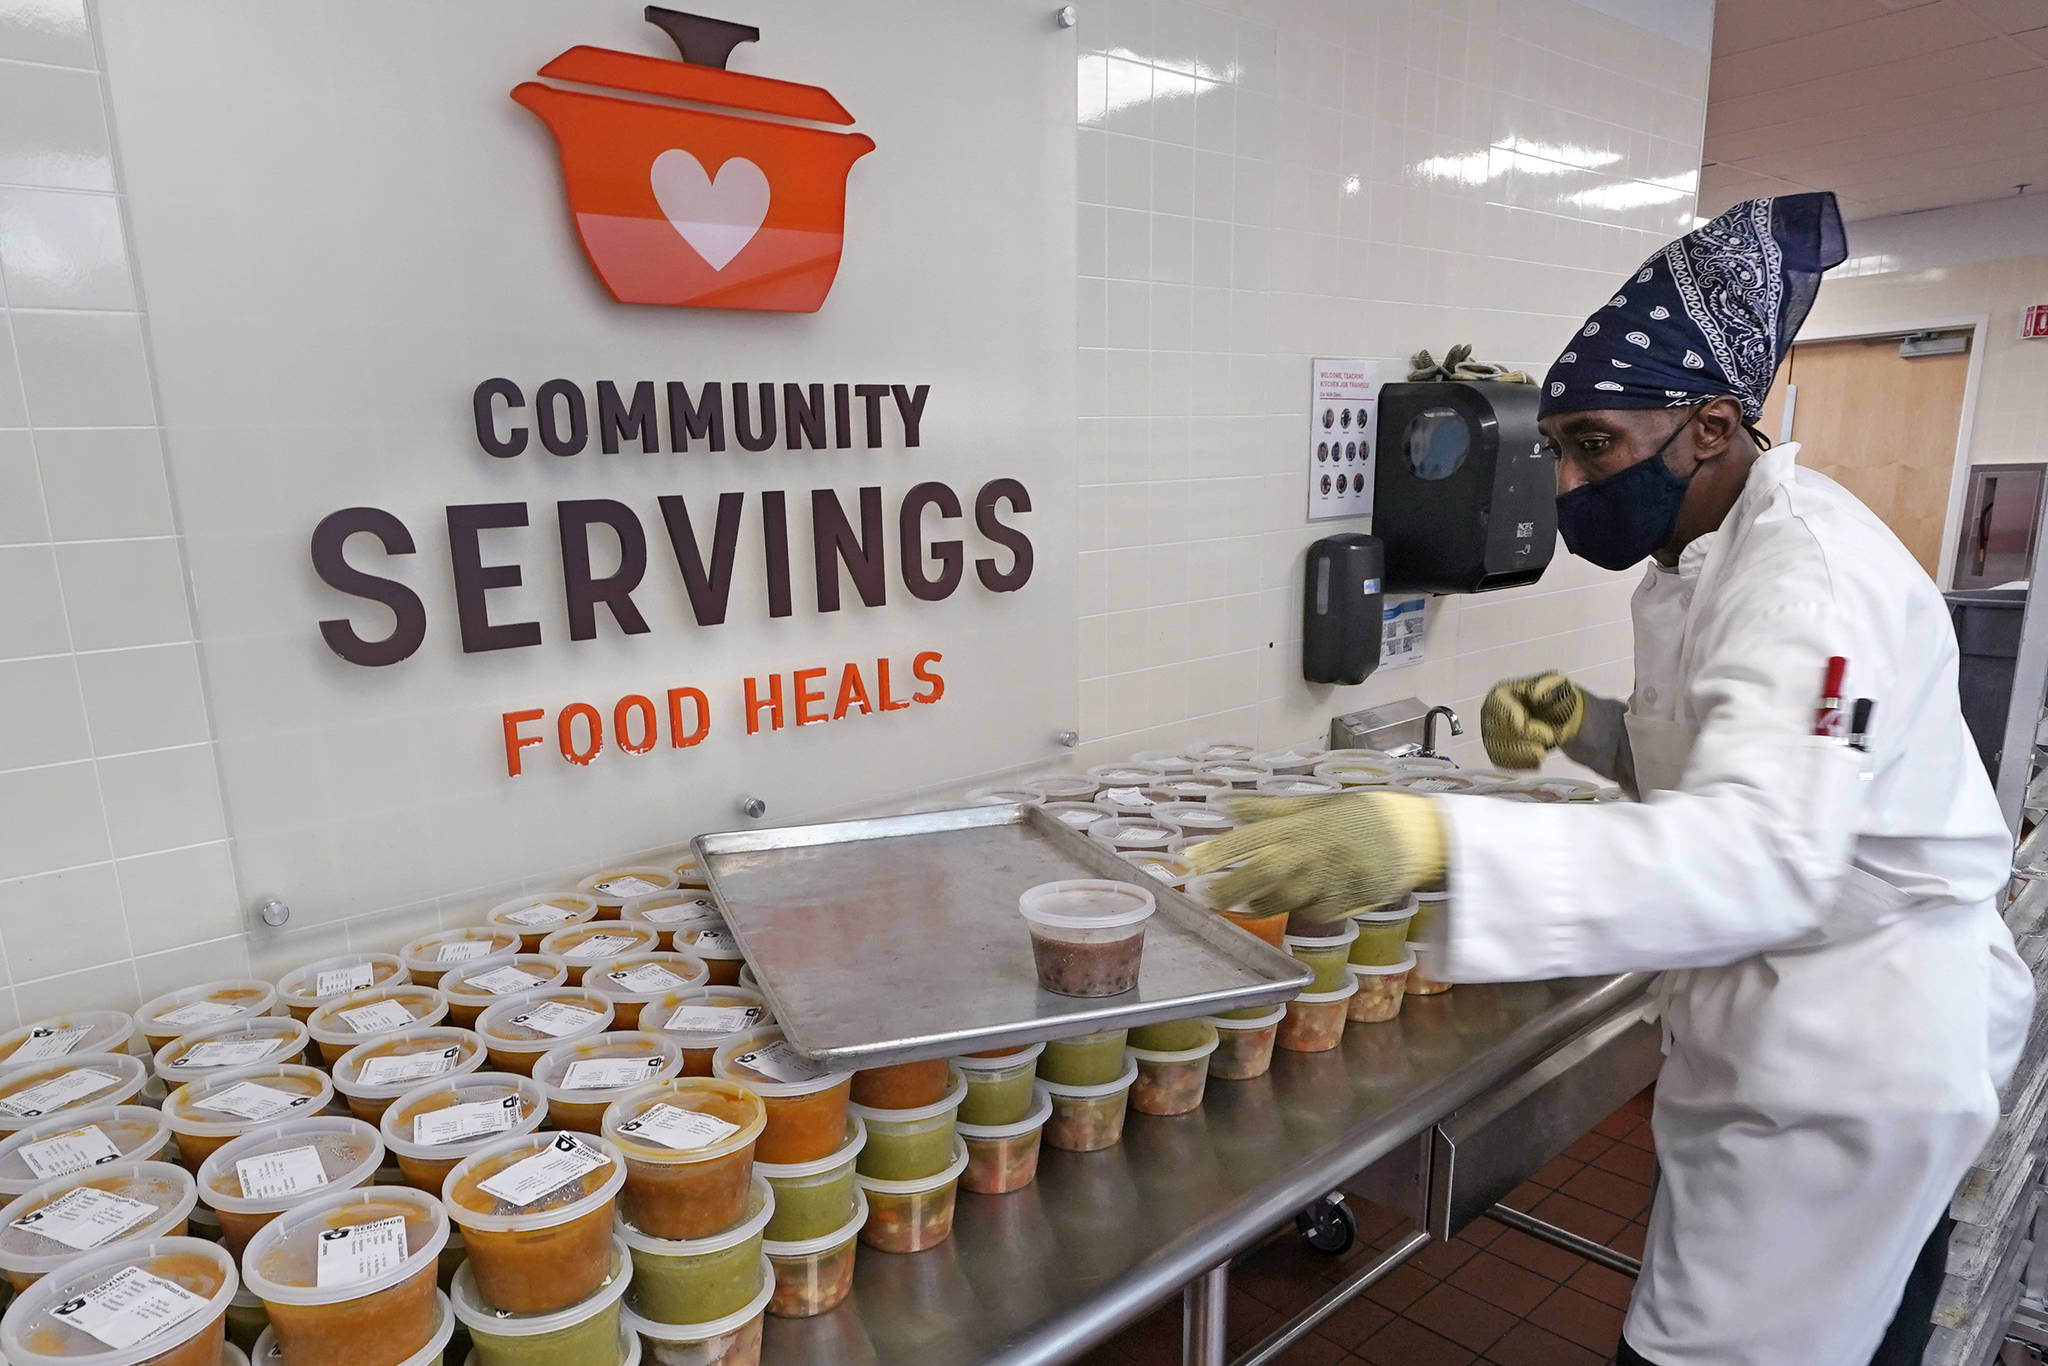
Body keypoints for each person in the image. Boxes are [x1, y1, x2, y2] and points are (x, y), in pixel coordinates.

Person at [1191, 192, 2035, 1366]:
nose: (1569, 484)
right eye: (1561, 449)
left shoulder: (1810, 583)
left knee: (1716, 1350)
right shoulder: (1692, 561)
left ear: (1705, 424)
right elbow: (1747, 766)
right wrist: (1594, 733)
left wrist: (1434, 845)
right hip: (1779, 1014)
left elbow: (1760, 855)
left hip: (1850, 1049)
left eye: (1593, 444)